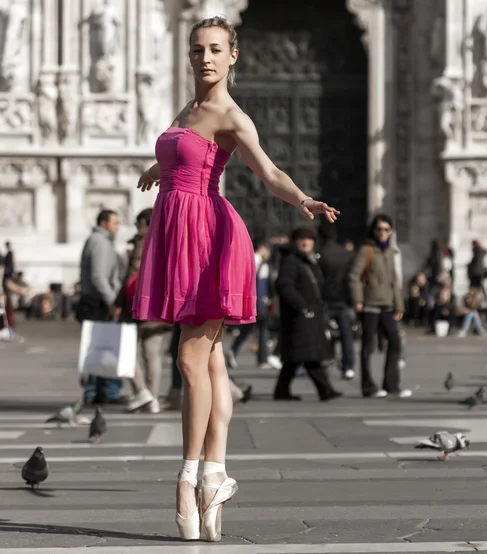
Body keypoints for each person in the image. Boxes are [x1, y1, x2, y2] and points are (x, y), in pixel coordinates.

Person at [132, 16, 338, 542]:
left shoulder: (230, 113)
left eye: (215, 49)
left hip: (211, 240)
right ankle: (217, 474)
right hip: (180, 233)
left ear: (233, 56)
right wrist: (160, 168)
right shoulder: (189, 108)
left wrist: (303, 199)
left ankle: (187, 477)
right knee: (213, 365)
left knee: (188, 359)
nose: (205, 57)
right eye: (198, 48)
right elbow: (183, 150)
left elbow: (268, 173)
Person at [112, 208, 172, 414]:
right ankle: (152, 399)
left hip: (139, 306)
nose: (137, 228)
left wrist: (118, 302)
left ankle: (142, 392)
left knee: (125, 352)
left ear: (146, 222)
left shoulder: (144, 239)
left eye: (138, 223)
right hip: (161, 305)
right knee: (152, 354)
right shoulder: (169, 237)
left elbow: (132, 276)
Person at [273, 226, 341, 401]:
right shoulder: (292, 261)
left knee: (296, 356)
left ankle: (282, 390)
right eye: (301, 239)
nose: (305, 242)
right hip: (300, 317)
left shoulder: (309, 261)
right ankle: (325, 390)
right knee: (309, 354)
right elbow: (284, 286)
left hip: (310, 315)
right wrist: (301, 305)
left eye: (309, 239)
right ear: (295, 242)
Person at [348, 214, 412, 399]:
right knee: (368, 347)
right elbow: (354, 275)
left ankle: (391, 384)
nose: (383, 232)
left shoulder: (391, 252)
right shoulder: (367, 250)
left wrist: (399, 305)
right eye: (379, 229)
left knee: (395, 342)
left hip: (387, 305)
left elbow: (394, 280)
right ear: (373, 231)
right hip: (370, 305)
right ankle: (368, 386)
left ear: (391, 231)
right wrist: (358, 300)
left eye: (386, 229)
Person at [78, 209, 123, 405]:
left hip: (96, 302)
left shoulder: (98, 241)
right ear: (103, 223)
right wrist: (113, 300)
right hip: (100, 303)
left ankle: (97, 391)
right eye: (114, 223)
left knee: (98, 346)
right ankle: (106, 391)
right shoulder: (100, 242)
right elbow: (98, 277)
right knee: (105, 346)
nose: (117, 227)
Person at [225, 240, 281, 371]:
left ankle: (233, 350)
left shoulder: (250, 259)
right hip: (258, 301)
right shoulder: (260, 262)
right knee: (263, 330)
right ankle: (262, 359)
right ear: (262, 247)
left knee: (247, 329)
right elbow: (261, 286)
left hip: (251, 300)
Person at [317, 223, 355, 379]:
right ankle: (348, 366)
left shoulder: (321, 254)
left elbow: (319, 279)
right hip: (343, 299)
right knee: (347, 334)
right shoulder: (347, 254)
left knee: (324, 333)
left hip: (326, 299)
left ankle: (326, 360)